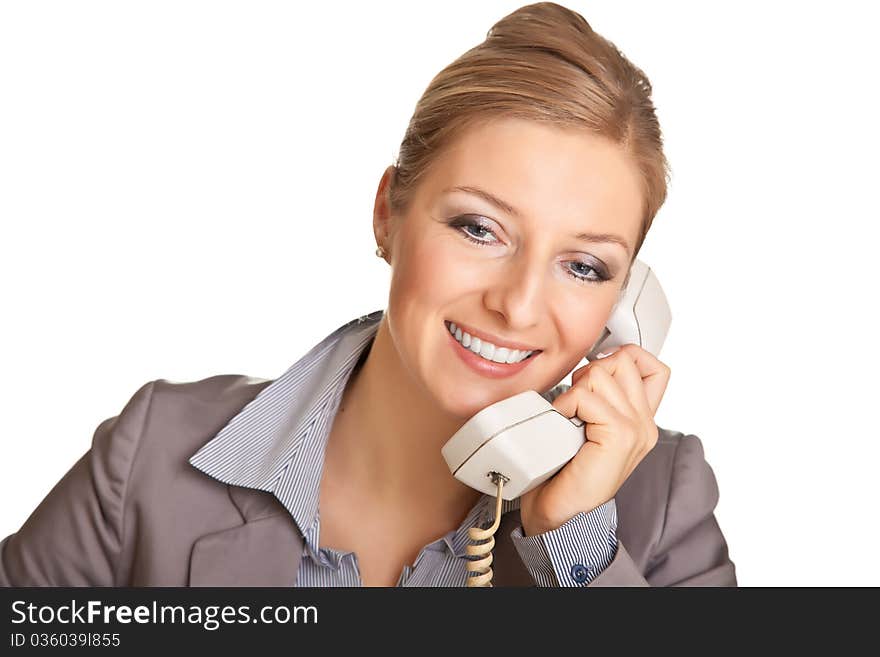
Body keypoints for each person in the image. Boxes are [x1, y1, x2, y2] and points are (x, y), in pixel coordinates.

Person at [0, 2, 736, 587]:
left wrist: (571, 540)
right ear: (388, 212)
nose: (516, 306)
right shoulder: (153, 456)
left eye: (583, 267)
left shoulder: (660, 505)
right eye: (480, 228)